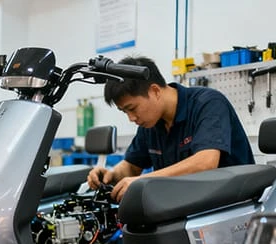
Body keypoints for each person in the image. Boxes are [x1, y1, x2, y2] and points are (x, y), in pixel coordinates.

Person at [87, 56, 254, 201]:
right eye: (125, 112)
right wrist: (110, 175)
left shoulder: (208, 104)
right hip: (184, 204)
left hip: (230, 204)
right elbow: (132, 166)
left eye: (132, 108)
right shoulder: (151, 123)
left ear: (155, 91)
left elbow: (205, 163)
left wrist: (143, 180)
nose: (131, 118)